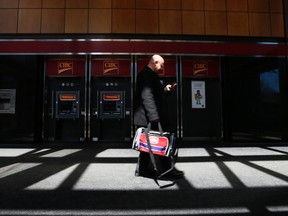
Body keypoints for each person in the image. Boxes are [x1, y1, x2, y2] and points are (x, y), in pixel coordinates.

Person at [133, 54, 184, 179]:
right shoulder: (146, 75)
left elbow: (154, 95)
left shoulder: (149, 74)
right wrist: (154, 116)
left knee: (147, 145)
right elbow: (147, 96)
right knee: (162, 142)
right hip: (150, 118)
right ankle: (167, 170)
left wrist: (165, 90)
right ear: (155, 62)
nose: (162, 67)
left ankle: (143, 170)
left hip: (148, 117)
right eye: (162, 64)